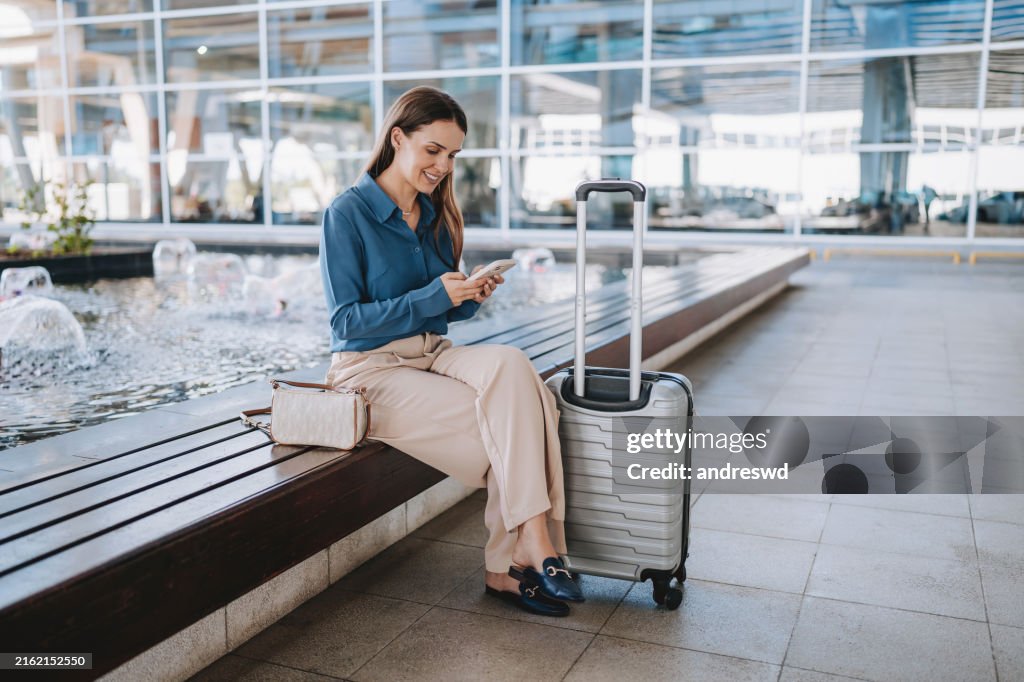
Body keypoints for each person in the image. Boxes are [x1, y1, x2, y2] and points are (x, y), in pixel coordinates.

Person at [319, 86, 583, 617]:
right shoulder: (347, 213)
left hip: (433, 352)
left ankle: (520, 551)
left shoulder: (437, 213)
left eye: (453, 155)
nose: (443, 165)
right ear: (399, 138)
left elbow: (441, 312)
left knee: (512, 368)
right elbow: (345, 321)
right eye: (433, 150)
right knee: (519, 421)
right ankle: (524, 553)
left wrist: (467, 298)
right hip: (368, 368)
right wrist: (434, 295)